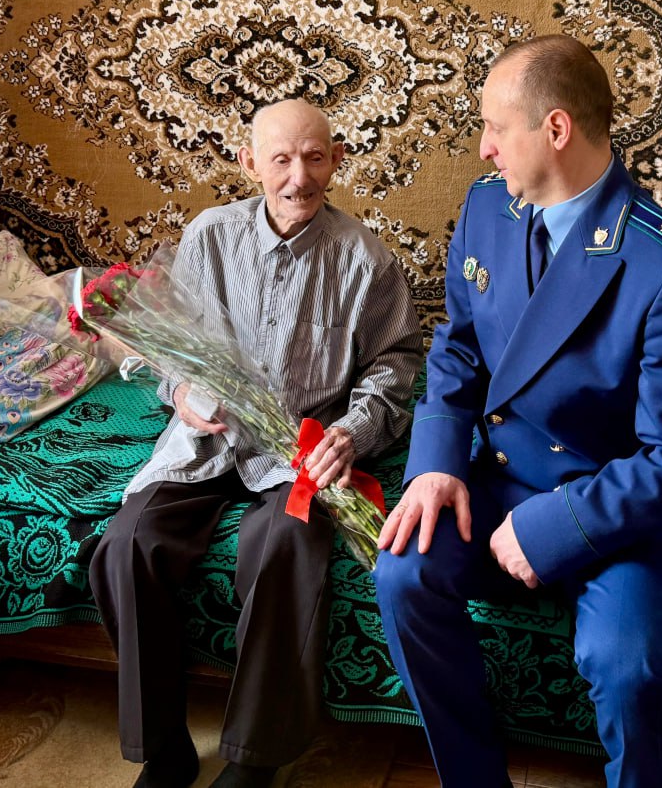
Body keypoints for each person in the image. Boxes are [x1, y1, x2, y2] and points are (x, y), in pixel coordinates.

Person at [372, 35, 662, 788]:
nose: (484, 148)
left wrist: (551, 528)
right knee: (402, 573)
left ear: (556, 129)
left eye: (495, 128)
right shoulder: (487, 208)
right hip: (500, 477)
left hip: (612, 511)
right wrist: (436, 464)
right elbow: (458, 349)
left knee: (629, 666)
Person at [90, 98, 423, 788]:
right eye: (281, 159)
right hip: (206, 441)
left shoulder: (365, 258)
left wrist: (351, 431)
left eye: (315, 157)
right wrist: (180, 389)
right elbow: (172, 346)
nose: (299, 176)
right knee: (127, 544)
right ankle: (164, 748)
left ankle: (253, 759)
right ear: (249, 164)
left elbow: (396, 365)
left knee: (286, 545)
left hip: (296, 451)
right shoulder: (209, 236)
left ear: (336, 160)